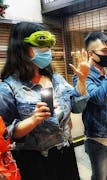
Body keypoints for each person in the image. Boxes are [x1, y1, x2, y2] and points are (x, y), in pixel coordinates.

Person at [0, 22, 89, 180]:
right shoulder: (8, 88)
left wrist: (82, 81)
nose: (48, 51)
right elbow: (7, 134)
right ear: (21, 48)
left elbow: (77, 107)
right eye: (42, 46)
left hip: (65, 153)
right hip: (34, 161)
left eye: (49, 46)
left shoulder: (56, 79)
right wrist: (34, 120)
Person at [74, 32, 107, 180]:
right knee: (100, 177)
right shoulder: (83, 75)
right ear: (91, 53)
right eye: (104, 51)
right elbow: (97, 98)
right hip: (98, 139)